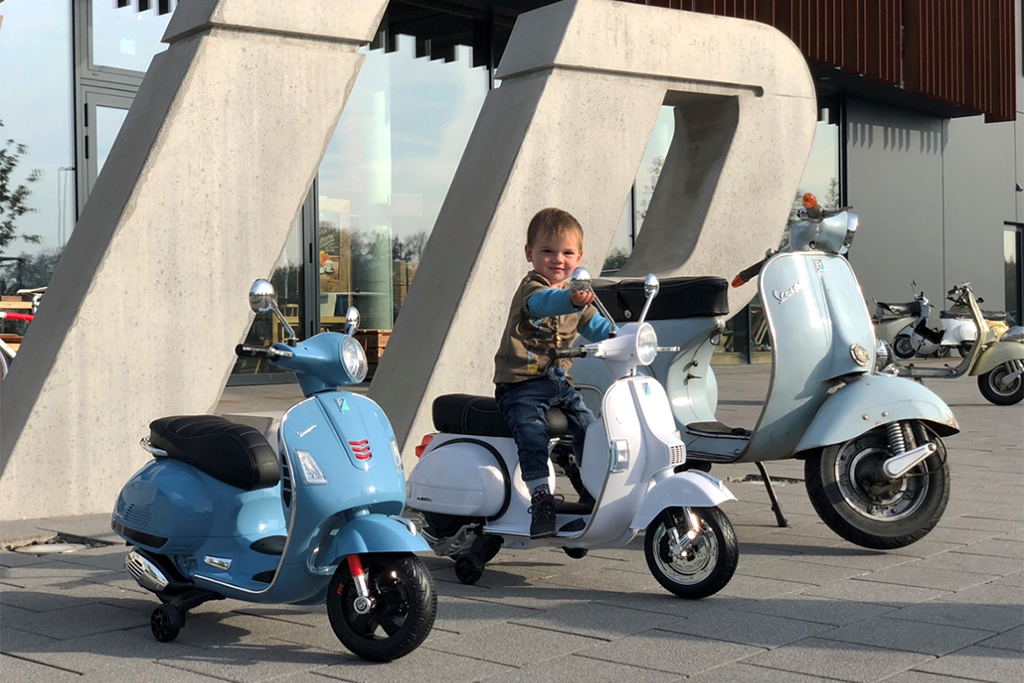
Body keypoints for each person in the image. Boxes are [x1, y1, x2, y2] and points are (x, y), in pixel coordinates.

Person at [493, 207, 612, 538]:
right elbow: (545, 304)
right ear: (530, 253)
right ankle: (541, 497)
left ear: (580, 256)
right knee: (532, 434)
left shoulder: (579, 296)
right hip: (520, 385)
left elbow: (600, 327)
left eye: (567, 252)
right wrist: (573, 300)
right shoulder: (533, 288)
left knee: (592, 426)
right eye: (547, 251)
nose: (558, 259)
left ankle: (593, 487)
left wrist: (625, 337)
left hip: (559, 384)